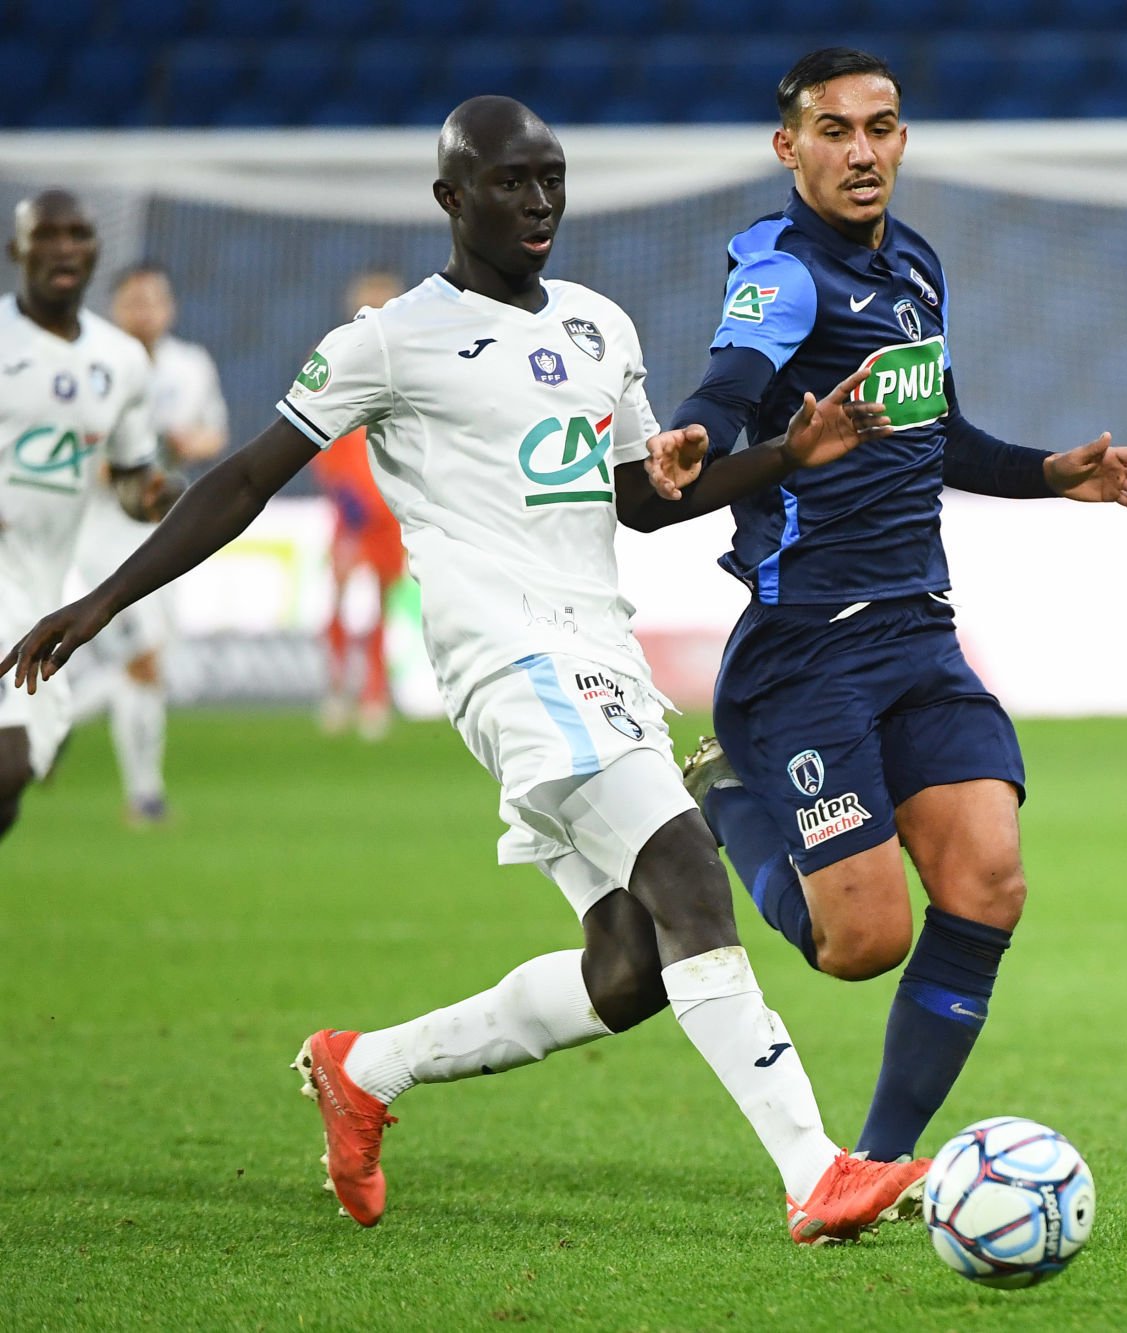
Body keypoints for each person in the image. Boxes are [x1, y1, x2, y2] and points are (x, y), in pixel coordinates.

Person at [2, 97, 928, 1243]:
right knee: (689, 872)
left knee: (631, 967)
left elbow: (638, 502)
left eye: (551, 179)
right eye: (509, 182)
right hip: (509, 656)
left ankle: (364, 1068)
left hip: (601, 649)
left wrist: (790, 450)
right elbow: (242, 480)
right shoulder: (389, 341)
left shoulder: (597, 325)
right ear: (451, 197)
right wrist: (100, 599)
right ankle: (814, 1171)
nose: (538, 202)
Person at [668, 49, 1127, 1166]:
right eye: (835, 130)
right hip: (806, 652)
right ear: (788, 146)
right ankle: (728, 795)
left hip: (918, 632)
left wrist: (1051, 473)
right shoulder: (784, 274)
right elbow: (727, 385)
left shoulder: (915, 268)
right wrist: (695, 433)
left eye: (882, 127)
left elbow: (942, 437)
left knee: (989, 881)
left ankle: (877, 1164)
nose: (863, 152)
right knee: (860, 944)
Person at [0, 191, 180, 845]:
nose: (64, 247)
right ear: (17, 250)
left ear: (94, 251)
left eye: (77, 234)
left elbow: (131, 473)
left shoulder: (121, 361)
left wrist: (152, 496)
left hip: (46, 588)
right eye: (46, 234)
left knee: (16, 781)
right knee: (9, 760)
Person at [67, 262, 228, 825]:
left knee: (150, 665)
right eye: (134, 301)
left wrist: (186, 443)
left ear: (170, 307)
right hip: (104, 531)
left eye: (154, 300)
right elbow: (77, 450)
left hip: (167, 531)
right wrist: (125, 467)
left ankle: (139, 790)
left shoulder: (191, 364)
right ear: (116, 308)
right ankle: (135, 788)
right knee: (141, 658)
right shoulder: (92, 366)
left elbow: (215, 433)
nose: (145, 312)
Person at [312, 268, 408, 740]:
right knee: (340, 600)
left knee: (381, 608)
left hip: (392, 513)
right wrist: (342, 490)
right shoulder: (335, 359)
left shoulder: (413, 363)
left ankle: (374, 692)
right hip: (352, 513)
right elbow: (313, 434)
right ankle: (336, 688)